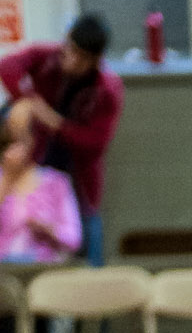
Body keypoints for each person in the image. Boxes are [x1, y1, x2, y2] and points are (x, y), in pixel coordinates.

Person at [0, 14, 122, 262]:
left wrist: (53, 122)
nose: (71, 59)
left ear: (95, 60)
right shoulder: (47, 57)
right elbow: (7, 66)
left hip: (77, 177)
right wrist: (27, 101)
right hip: (37, 166)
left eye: (81, 57)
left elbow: (95, 143)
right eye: (70, 49)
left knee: (84, 238)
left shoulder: (106, 89)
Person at [0, 100, 81, 263]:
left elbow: (74, 239)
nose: (10, 152)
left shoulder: (56, 182)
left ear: (33, 141)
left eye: (17, 142)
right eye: (5, 145)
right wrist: (6, 182)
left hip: (43, 267)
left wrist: (49, 230)